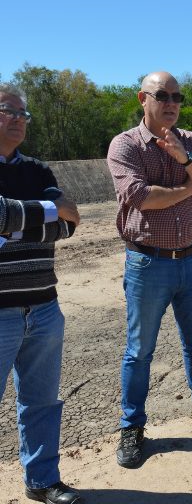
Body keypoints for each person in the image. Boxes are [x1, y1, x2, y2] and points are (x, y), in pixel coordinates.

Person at [107, 71, 192, 469]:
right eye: (162, 95)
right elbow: (141, 198)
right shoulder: (125, 145)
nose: (171, 102)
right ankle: (131, 427)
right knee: (139, 351)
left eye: (177, 96)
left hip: (191, 260)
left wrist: (185, 161)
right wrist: (191, 184)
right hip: (146, 262)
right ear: (142, 98)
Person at [0, 84, 81, 504]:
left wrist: (17, 218)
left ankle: (42, 481)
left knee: (41, 403)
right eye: (8, 111)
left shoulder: (38, 170)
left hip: (44, 307)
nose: (18, 119)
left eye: (23, 114)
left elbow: (71, 222)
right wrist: (44, 214)